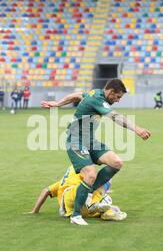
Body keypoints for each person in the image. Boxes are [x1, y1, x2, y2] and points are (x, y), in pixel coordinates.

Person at [41, 78, 151, 226]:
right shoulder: (98, 100)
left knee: (116, 162)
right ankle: (76, 215)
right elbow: (116, 117)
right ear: (111, 92)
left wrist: (58, 103)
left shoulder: (95, 93)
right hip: (75, 141)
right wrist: (137, 129)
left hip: (90, 141)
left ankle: (89, 194)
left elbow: (78, 95)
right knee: (91, 174)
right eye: (118, 97)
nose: (118, 100)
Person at [29, 166, 127, 221]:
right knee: (107, 181)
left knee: (92, 199)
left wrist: (35, 211)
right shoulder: (82, 168)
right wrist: (103, 189)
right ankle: (105, 209)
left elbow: (45, 191)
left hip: (69, 209)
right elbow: (93, 180)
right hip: (76, 196)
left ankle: (103, 210)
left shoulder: (63, 182)